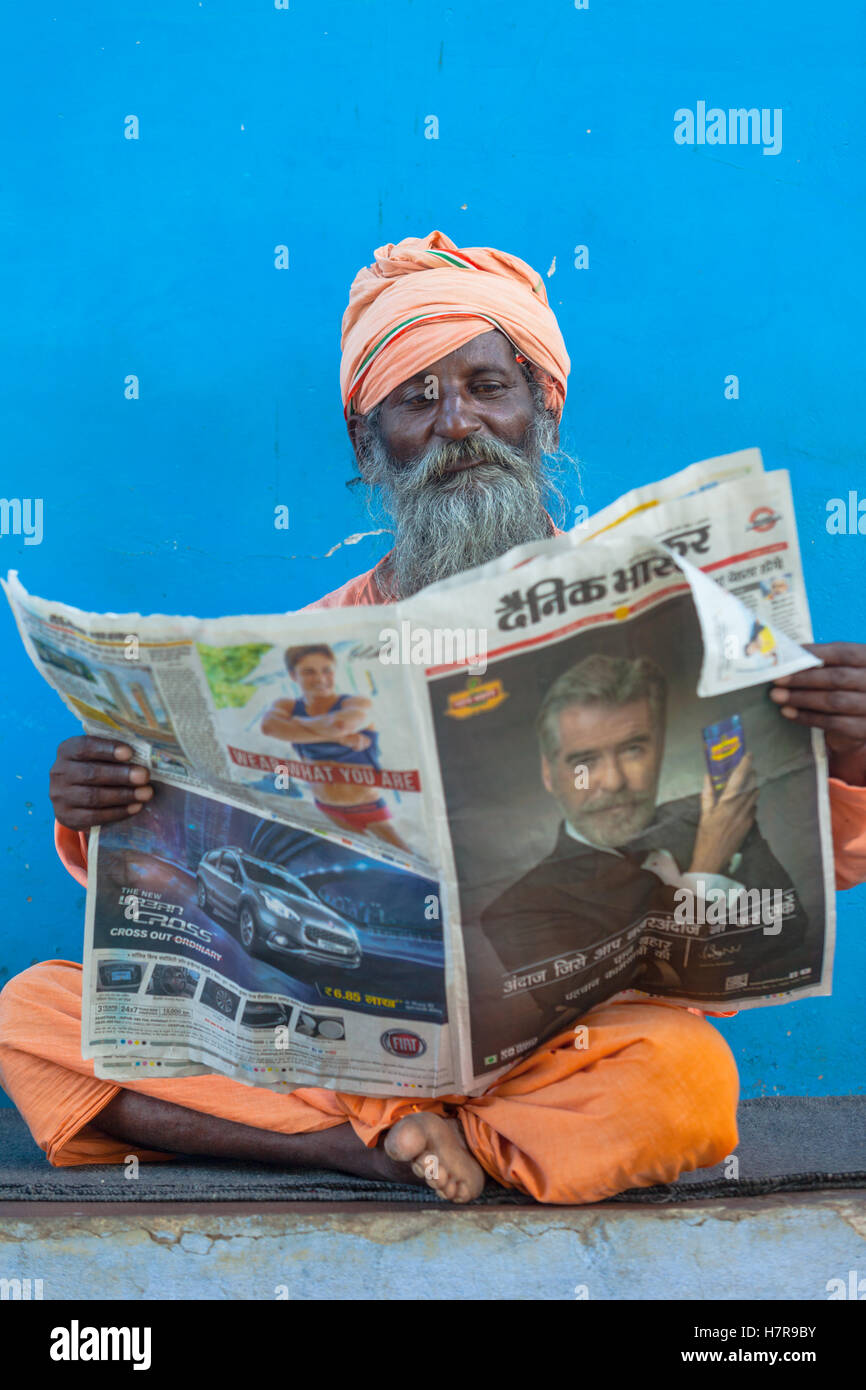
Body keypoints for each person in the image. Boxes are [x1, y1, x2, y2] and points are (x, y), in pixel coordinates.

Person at [3, 231, 866, 1206]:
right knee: (32, 1013)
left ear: (541, 407)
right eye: (416, 397)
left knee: (684, 1080)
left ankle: (414, 1137)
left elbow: (798, 854)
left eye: (485, 385)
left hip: (557, 1046)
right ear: (367, 444)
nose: (457, 422)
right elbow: (184, 881)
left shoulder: (661, 619)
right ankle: (369, 1146)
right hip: (335, 1044)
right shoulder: (300, 653)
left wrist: (845, 751)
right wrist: (103, 803)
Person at [479, 654, 808, 1042]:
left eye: (633, 749)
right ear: (550, 776)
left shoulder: (709, 815)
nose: (614, 780)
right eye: (585, 762)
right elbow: (634, 1001)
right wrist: (707, 865)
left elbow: (786, 932)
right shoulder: (517, 910)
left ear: (658, 751)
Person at [260, 643, 411, 853]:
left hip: (368, 808)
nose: (321, 679)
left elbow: (340, 725)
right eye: (309, 672)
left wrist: (295, 724)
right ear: (293, 676)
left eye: (326, 670)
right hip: (326, 809)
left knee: (407, 858)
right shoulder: (288, 705)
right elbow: (268, 727)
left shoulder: (355, 702)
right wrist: (338, 738)